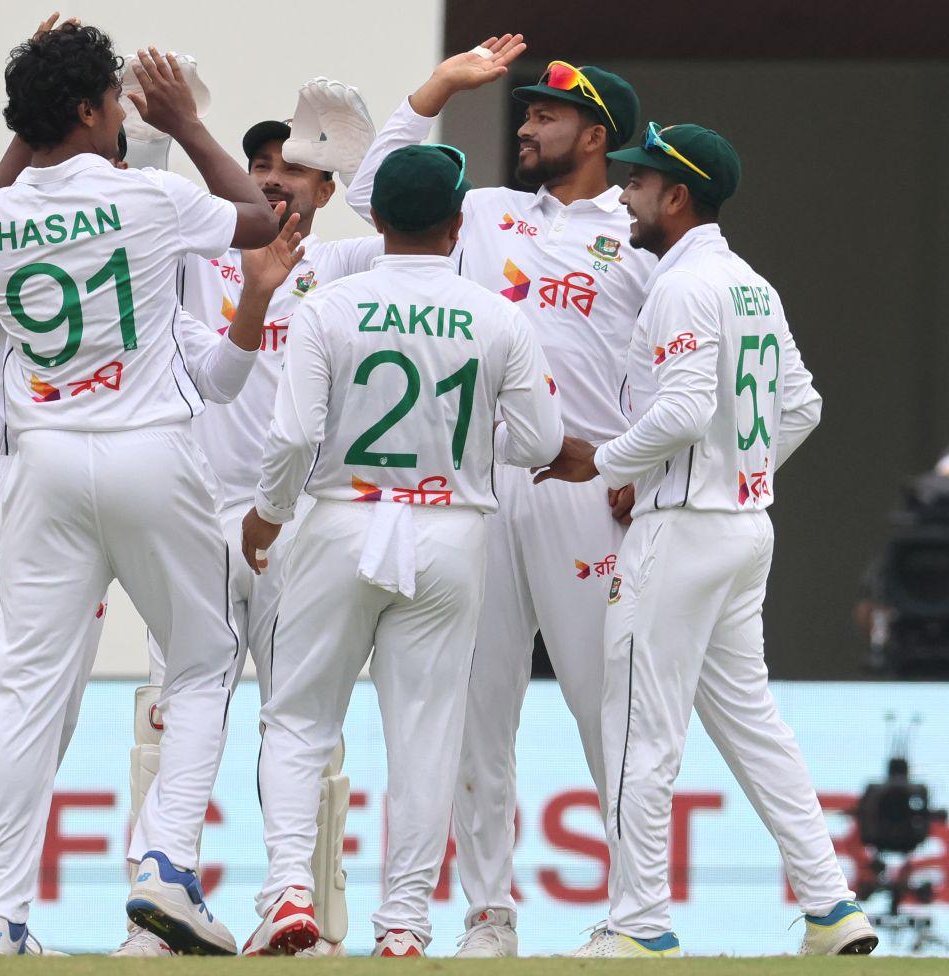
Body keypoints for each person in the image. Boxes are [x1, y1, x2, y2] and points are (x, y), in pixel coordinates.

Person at [0, 20, 279, 954]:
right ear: (90, 110)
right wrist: (189, 124)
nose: (128, 112)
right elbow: (257, 222)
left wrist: (32, 121)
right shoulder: (151, 196)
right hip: (152, 450)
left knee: (23, 696)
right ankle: (165, 865)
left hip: (39, 467)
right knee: (203, 660)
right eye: (116, 101)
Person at [345, 36, 655, 956]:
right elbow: (374, 191)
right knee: (479, 709)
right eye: (525, 112)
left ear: (595, 135)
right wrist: (439, 86)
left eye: (545, 115)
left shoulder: (635, 235)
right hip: (475, 488)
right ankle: (489, 911)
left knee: (610, 706)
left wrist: (640, 465)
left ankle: (638, 911)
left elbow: (675, 370)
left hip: (585, 493)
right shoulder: (479, 211)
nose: (525, 127)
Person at [539, 121, 877, 957]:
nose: (625, 194)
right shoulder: (750, 283)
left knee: (635, 728)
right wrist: (739, 471)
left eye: (640, 182)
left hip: (683, 531)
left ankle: (640, 924)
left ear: (677, 195)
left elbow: (687, 410)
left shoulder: (683, 288)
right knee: (753, 724)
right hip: (741, 528)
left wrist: (609, 464)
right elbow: (802, 406)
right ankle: (833, 906)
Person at [241, 143, 565, 957]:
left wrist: (267, 514)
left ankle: (287, 889)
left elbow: (293, 434)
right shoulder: (499, 315)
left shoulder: (328, 305)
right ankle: (406, 926)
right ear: (459, 224)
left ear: (375, 219)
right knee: (425, 731)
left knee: (298, 718)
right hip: (452, 530)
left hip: (340, 519)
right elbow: (542, 440)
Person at [124, 85, 380, 957]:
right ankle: (156, 908)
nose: (272, 183)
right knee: (175, 709)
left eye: (294, 169)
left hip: (294, 521)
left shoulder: (340, 266)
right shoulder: (197, 251)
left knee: (303, 717)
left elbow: (421, 237)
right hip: (193, 512)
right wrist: (154, 133)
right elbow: (142, 190)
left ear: (325, 187)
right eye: (259, 166)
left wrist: (371, 147)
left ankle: (296, 906)